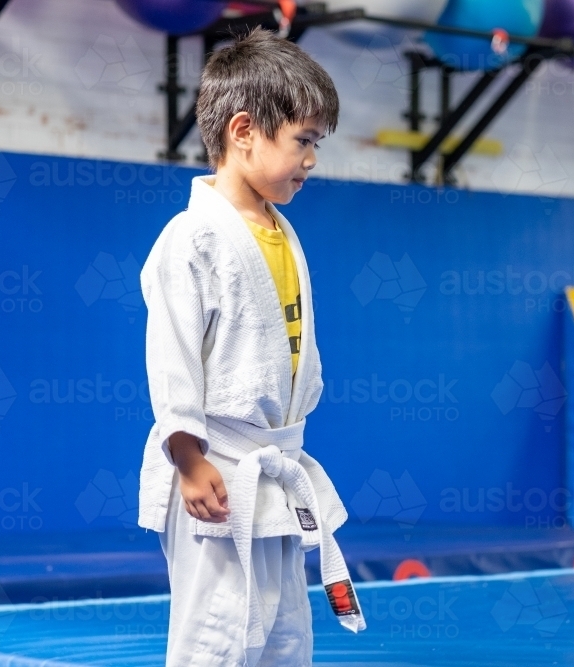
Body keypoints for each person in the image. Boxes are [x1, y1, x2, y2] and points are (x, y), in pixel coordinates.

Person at [137, 26, 365, 667]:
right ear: (243, 132)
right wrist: (187, 456)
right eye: (303, 141)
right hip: (217, 467)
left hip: (274, 469)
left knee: (284, 637)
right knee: (217, 638)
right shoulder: (191, 240)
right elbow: (173, 356)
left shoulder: (282, 234)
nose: (312, 160)